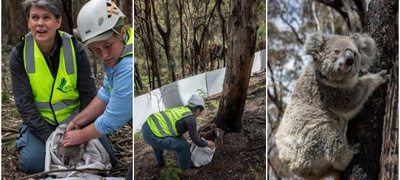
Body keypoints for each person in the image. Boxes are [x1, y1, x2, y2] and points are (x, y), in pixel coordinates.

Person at [9, 0, 115, 173]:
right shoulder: (19, 54)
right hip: (42, 123)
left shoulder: (75, 48)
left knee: (108, 158)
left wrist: (80, 130)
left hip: (77, 119)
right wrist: (51, 138)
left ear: (58, 22)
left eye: (46, 17)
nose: (40, 23)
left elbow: (88, 94)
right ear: (29, 22)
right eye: (35, 17)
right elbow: (24, 103)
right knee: (33, 164)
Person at [61, 0, 133, 176]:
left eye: (108, 46)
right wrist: (76, 122)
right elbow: (105, 95)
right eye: (96, 50)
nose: (104, 56)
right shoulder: (117, 57)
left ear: (122, 33)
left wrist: (81, 136)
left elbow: (112, 120)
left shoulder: (128, 66)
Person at [141, 95, 216, 176]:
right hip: (154, 135)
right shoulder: (190, 118)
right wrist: (208, 144)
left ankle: (160, 163)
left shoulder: (181, 110)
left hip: (148, 127)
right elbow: (196, 140)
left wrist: (186, 140)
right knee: (183, 146)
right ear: (198, 109)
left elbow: (175, 131)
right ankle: (185, 170)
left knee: (159, 144)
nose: (200, 114)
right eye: (201, 112)